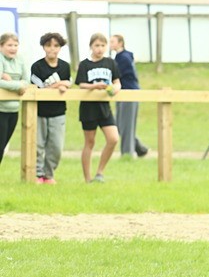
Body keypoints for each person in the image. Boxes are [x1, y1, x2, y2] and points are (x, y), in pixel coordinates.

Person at [75, 33, 121, 183]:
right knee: (90, 142)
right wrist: (95, 86)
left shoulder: (110, 63)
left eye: (102, 45)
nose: (100, 49)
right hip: (88, 108)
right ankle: (87, 178)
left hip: (104, 107)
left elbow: (117, 82)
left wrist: (115, 89)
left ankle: (100, 172)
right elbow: (81, 84)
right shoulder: (85, 64)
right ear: (91, 47)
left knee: (113, 138)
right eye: (97, 45)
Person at [30, 32, 72, 183]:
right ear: (43, 47)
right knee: (38, 144)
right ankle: (38, 174)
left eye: (56, 46)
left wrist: (63, 85)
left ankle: (49, 174)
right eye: (48, 45)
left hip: (58, 112)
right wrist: (59, 85)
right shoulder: (37, 66)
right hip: (40, 112)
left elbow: (69, 83)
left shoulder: (65, 66)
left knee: (56, 146)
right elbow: (39, 89)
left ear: (60, 48)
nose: (52, 49)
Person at [110, 34, 149, 158]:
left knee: (126, 124)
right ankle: (140, 148)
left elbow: (127, 75)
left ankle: (127, 153)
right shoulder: (119, 57)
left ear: (120, 43)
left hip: (129, 92)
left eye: (113, 42)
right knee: (119, 124)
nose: (110, 44)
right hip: (121, 93)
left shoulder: (124, 57)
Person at [0, 32, 28, 165]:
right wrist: (17, 85)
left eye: (15, 45)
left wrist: (9, 80)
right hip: (1, 110)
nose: (13, 48)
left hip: (13, 110)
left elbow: (26, 81)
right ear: (1, 46)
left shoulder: (21, 59)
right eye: (9, 45)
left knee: (3, 146)